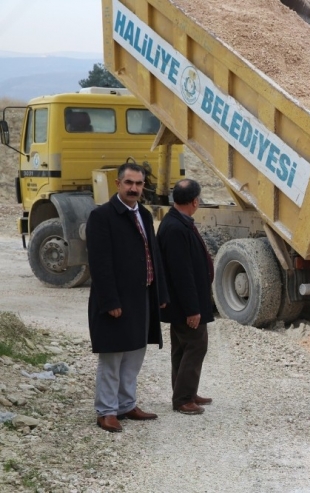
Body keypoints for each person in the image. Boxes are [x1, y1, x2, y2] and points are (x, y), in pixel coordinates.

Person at [86, 162, 169, 433]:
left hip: (141, 296)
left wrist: (160, 293)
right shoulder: (102, 217)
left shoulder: (144, 215)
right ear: (118, 184)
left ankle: (126, 404)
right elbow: (99, 264)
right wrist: (110, 301)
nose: (134, 188)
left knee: (135, 353)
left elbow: (153, 255)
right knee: (112, 356)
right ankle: (106, 411)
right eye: (129, 183)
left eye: (139, 184)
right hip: (116, 300)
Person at [156, 179, 215, 415]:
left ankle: (186, 391)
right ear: (195, 201)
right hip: (184, 304)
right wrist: (192, 309)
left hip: (183, 302)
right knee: (196, 345)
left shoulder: (178, 222)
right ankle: (182, 398)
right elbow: (182, 273)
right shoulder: (175, 228)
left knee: (182, 347)